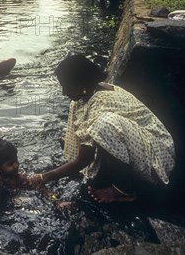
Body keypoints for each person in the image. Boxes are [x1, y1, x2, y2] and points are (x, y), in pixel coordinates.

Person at [25, 54, 175, 203]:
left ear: (82, 84)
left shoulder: (101, 103)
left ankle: (124, 190)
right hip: (137, 143)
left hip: (157, 156)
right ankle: (107, 170)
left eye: (66, 86)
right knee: (87, 115)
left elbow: (85, 159)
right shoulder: (90, 93)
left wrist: (43, 177)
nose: (64, 92)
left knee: (103, 125)